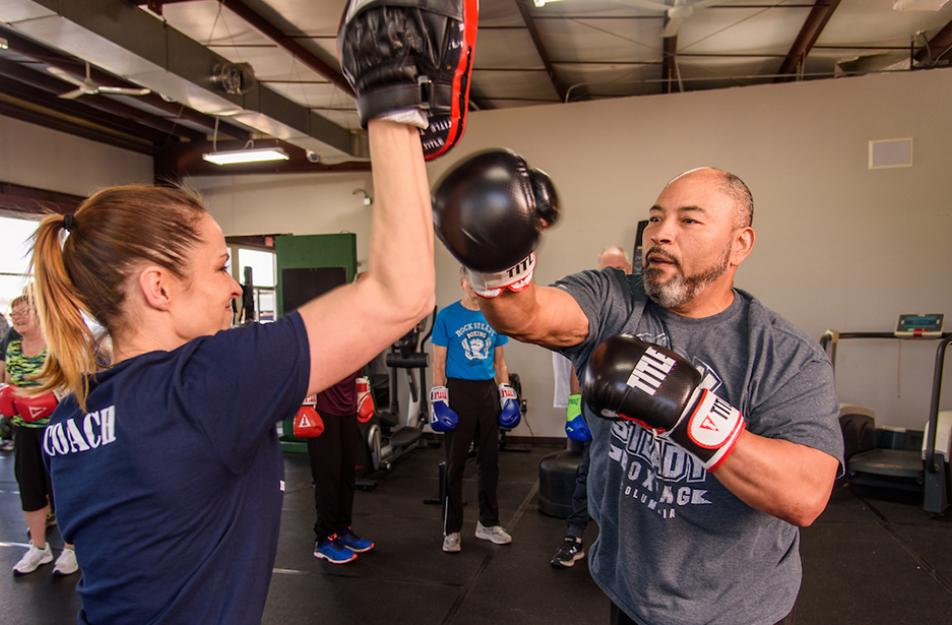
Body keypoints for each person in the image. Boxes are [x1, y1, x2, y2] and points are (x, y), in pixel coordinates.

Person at [29, 1, 476, 621]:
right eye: (219, 268)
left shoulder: (69, 418)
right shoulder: (202, 385)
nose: (234, 288)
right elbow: (403, 294)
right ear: (159, 288)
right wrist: (390, 99)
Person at [434, 157, 843, 625]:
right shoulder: (614, 299)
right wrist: (497, 262)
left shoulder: (784, 354)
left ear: (739, 245)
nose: (660, 234)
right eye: (655, 218)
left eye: (688, 220)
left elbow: (805, 496)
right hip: (629, 595)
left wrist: (690, 414)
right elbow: (527, 316)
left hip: (736, 611)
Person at [550, 246, 631, 569]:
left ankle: (629, 549)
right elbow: (576, 363)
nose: (612, 277)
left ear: (629, 271)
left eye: (618, 270)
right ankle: (574, 537)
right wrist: (574, 405)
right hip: (596, 409)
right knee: (587, 472)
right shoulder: (595, 312)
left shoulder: (644, 310)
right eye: (605, 270)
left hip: (636, 413)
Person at [430, 268, 518, 554]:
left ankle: (488, 523)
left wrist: (507, 395)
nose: (475, 285)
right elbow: (439, 364)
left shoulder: (495, 315)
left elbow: (501, 363)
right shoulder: (447, 316)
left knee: (490, 462)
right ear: (462, 282)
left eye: (481, 281)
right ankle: (452, 529)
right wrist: (439, 400)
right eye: (471, 280)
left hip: (487, 392)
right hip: (458, 391)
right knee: (455, 464)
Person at [1, 290, 78, 576]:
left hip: (56, 430)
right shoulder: (12, 348)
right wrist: (12, 398)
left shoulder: (57, 346)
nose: (18, 318)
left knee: (62, 489)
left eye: (24, 312)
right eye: (14, 314)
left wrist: (49, 400)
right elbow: (10, 381)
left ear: (40, 313)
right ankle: (39, 547)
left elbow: (74, 385)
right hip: (24, 431)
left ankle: (71, 549)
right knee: (30, 488)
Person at [308, 275, 375, 565]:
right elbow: (309, 357)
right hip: (323, 408)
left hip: (346, 408)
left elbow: (356, 363)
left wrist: (363, 391)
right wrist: (306, 403)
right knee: (328, 475)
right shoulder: (334, 317)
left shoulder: (365, 324)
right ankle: (324, 539)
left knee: (348, 471)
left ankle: (341, 529)